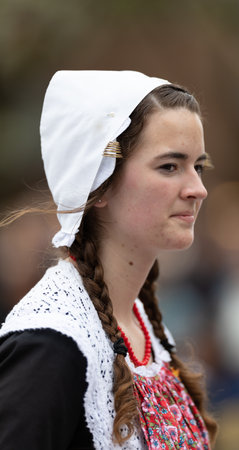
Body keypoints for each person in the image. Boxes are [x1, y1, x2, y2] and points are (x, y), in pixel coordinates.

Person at [0, 70, 218, 449]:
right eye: (169, 166)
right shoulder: (52, 343)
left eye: (197, 166)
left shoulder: (141, 324)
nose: (197, 189)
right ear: (98, 185)